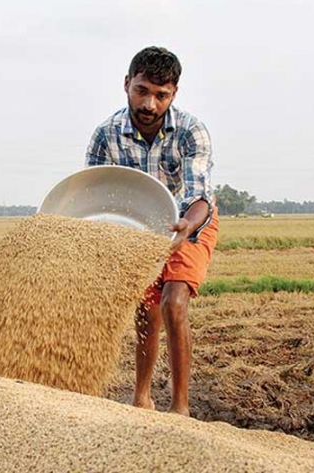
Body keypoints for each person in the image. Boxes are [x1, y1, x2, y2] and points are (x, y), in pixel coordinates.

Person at [85, 46, 219, 415]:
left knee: (173, 302)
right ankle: (141, 398)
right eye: (141, 91)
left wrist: (186, 225)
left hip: (187, 219)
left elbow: (200, 196)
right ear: (127, 84)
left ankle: (180, 407)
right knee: (147, 313)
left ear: (174, 94)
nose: (149, 104)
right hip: (137, 226)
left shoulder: (192, 132)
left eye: (161, 96)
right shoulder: (106, 135)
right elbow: (94, 195)